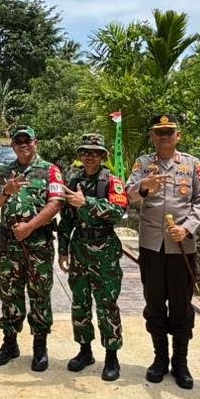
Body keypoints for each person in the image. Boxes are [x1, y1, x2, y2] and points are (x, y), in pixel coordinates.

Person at [127, 114, 200, 389]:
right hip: (151, 244)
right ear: (152, 136)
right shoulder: (143, 164)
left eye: (169, 132)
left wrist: (187, 228)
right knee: (154, 302)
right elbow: (127, 195)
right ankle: (160, 358)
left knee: (181, 305)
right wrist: (144, 187)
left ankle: (181, 362)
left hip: (181, 246)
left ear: (178, 136)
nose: (164, 137)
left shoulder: (192, 164)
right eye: (159, 133)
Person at [0, 125, 65, 371]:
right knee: (9, 293)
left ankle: (40, 347)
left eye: (27, 140)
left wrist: (30, 226)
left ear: (35, 142)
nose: (23, 144)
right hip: (10, 247)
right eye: (18, 140)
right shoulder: (3, 171)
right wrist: (6, 192)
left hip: (38, 245)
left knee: (39, 294)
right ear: (13, 145)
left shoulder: (50, 171)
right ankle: (10, 342)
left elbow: (55, 204)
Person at [57, 133, 129, 381]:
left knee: (107, 303)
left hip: (105, 250)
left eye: (94, 152)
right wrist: (63, 249)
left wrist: (86, 202)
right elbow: (66, 220)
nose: (89, 156)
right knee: (80, 303)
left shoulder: (112, 181)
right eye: (85, 152)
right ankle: (85, 351)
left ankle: (111, 356)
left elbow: (119, 212)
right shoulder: (74, 180)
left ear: (102, 156)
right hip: (79, 249)